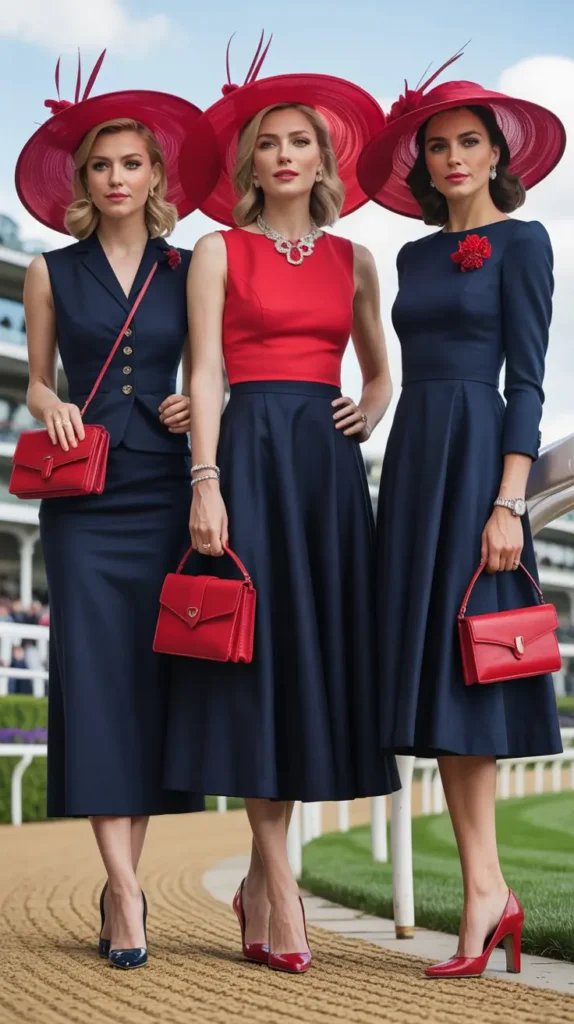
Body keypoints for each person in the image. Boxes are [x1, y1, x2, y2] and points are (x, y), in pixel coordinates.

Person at [165, 43, 400, 975]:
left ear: (323, 160)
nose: (287, 155)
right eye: (271, 144)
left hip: (328, 473)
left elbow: (379, 368)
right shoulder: (218, 250)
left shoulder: (356, 259)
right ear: (250, 166)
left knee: (305, 667)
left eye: (301, 142)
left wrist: (371, 406)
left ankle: (260, 886)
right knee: (255, 665)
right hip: (249, 462)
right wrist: (206, 477)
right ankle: (282, 890)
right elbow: (206, 369)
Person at [357, 64, 566, 978]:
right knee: (440, 677)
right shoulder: (409, 257)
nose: (451, 158)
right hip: (413, 461)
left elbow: (529, 381)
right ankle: (489, 890)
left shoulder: (524, 244)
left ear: (497, 153)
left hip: (481, 457)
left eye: (468, 143)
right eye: (437, 146)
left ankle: (488, 890)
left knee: (467, 671)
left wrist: (509, 500)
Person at [15, 53, 206, 970]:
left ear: (155, 177)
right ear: (82, 181)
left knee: (154, 682)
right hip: (84, 502)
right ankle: (124, 892)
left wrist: (194, 411)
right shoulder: (50, 270)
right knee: (92, 680)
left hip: (169, 489)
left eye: (133, 164)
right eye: (102, 166)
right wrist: (45, 403)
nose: (118, 178)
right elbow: (36, 385)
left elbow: (218, 375)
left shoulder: (190, 265)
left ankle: (124, 875)